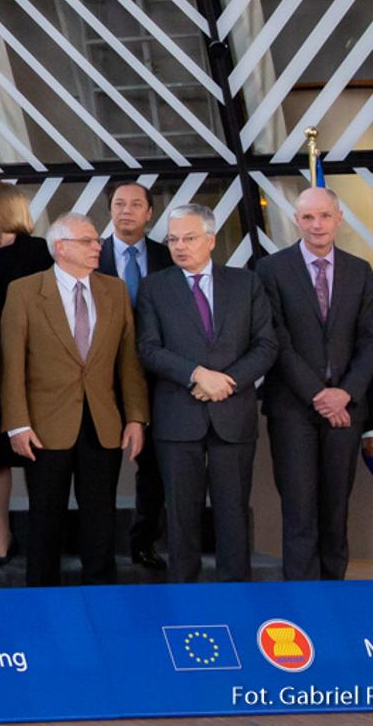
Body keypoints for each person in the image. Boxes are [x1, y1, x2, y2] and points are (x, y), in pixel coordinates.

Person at [1, 213, 148, 586]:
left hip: (103, 424)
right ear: (60, 247)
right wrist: (17, 423)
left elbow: (128, 360)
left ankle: (101, 598)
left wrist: (135, 417)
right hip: (44, 426)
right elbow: (12, 363)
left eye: (97, 240)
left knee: (101, 517)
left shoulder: (114, 290)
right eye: (88, 241)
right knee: (45, 516)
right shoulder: (24, 291)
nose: (98, 246)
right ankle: (43, 599)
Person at [136, 204, 278, 583]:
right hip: (178, 418)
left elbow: (266, 345)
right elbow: (148, 348)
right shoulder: (154, 286)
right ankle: (185, 598)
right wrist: (196, 374)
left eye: (189, 238)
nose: (179, 246)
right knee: (181, 517)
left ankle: (235, 598)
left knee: (233, 513)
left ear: (211, 240)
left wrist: (225, 381)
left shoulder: (245, 283)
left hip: (232, 415)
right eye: (173, 239)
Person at [260, 187, 373, 581]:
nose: (317, 224)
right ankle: (303, 604)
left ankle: (334, 597)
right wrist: (317, 393)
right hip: (293, 407)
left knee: (335, 508)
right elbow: (276, 340)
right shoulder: (271, 270)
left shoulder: (361, 271)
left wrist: (345, 393)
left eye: (324, 216)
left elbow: (370, 339)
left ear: (339, 219)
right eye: (307, 217)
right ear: (296, 221)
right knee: (299, 511)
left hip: (346, 408)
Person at [0, 181, 52, 568]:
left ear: (5, 208)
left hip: (32, 363)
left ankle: (40, 533)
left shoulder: (37, 252)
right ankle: (1, 533)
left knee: (38, 451)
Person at [95, 182, 171, 571]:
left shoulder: (167, 255)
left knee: (154, 465)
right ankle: (100, 547)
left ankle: (143, 542)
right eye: (118, 204)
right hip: (99, 377)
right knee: (99, 464)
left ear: (149, 213)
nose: (126, 210)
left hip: (157, 376)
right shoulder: (92, 255)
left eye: (135, 204)